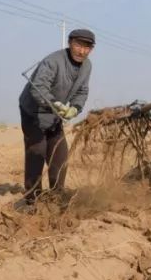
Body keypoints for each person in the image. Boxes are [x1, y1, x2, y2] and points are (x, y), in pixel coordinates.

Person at [16, 29, 95, 212]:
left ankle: (56, 196)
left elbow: (82, 91)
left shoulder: (87, 66)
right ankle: (31, 200)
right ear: (69, 43)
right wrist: (54, 103)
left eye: (87, 47)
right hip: (34, 112)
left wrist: (75, 107)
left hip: (55, 117)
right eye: (78, 45)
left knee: (60, 155)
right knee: (37, 151)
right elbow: (38, 88)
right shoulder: (53, 61)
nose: (81, 51)